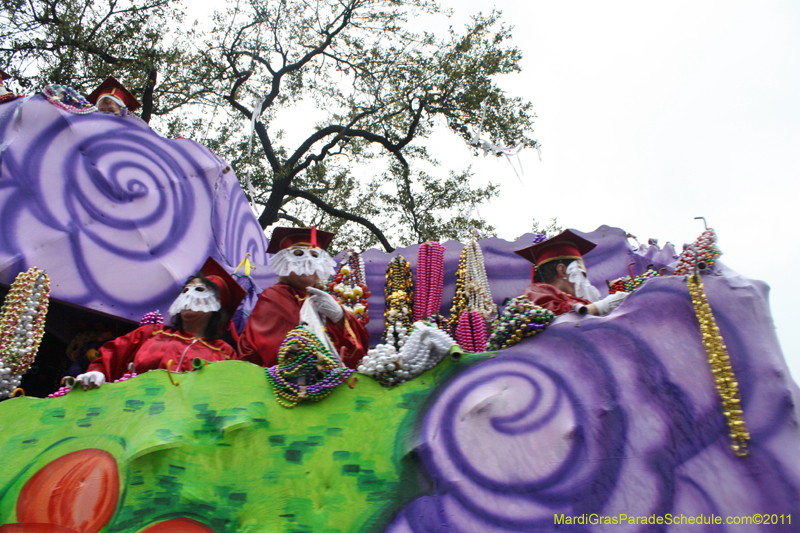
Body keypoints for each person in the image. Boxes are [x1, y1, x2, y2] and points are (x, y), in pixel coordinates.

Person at [75, 257, 245, 388]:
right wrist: (97, 372)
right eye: (186, 291)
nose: (189, 296)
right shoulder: (152, 333)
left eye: (199, 291)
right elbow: (112, 354)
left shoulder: (224, 354)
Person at [238, 227, 369, 369]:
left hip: (333, 378)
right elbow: (285, 351)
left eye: (314, 256)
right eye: (299, 255)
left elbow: (359, 349)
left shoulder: (328, 300)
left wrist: (340, 317)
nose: (307, 262)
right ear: (286, 264)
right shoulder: (274, 296)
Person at [514, 230, 628, 316]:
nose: (586, 281)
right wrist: (601, 307)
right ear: (562, 270)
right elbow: (553, 317)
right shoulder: (534, 292)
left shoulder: (577, 300)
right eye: (582, 274)